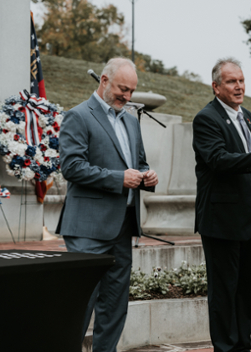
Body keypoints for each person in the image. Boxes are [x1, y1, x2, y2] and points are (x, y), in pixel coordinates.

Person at [56, 57, 158, 352]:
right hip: (87, 226)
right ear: (103, 81)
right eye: (122, 89)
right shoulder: (78, 115)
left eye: (131, 91)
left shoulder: (129, 119)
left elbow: (138, 164)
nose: (127, 97)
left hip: (123, 225)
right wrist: (118, 178)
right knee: (81, 303)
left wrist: (147, 175)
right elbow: (71, 167)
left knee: (115, 303)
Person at [192, 58, 251, 352]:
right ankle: (225, 347)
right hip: (221, 220)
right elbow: (219, 160)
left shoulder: (246, 116)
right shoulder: (206, 119)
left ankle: (243, 345)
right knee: (224, 292)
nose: (239, 87)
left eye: (242, 80)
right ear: (216, 87)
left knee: (246, 290)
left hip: (247, 217)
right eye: (232, 81)